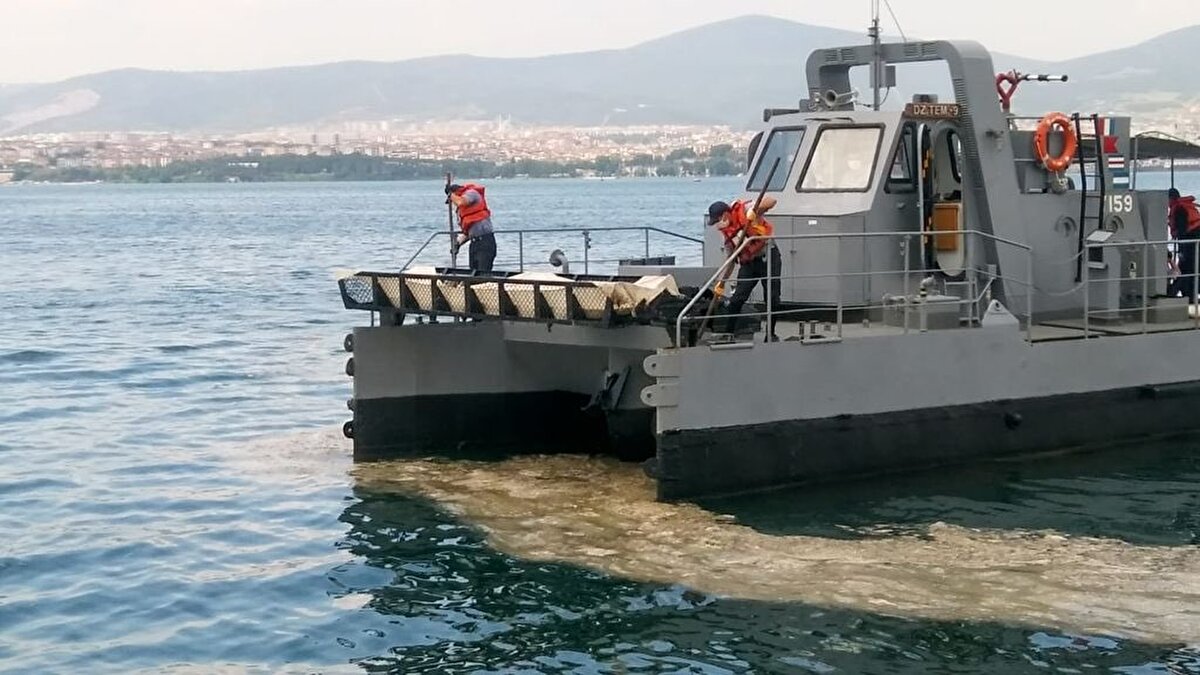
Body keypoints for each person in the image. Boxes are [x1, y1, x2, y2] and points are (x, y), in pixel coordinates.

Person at [708, 196, 782, 340]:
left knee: (772, 297)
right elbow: (731, 260)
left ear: (724, 215)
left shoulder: (746, 210)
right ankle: (729, 333)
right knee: (737, 297)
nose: (717, 225)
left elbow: (771, 201)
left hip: (768, 257)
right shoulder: (727, 235)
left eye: (717, 221)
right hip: (749, 263)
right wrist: (721, 283)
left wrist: (755, 212)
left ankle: (770, 333)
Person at [445, 182, 497, 273]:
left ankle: (485, 285)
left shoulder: (472, 193)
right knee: (473, 274)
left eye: (453, 201)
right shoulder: (466, 213)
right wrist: (458, 243)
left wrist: (450, 194)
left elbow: (461, 202)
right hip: (474, 244)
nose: (453, 204)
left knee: (483, 273)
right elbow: (469, 233)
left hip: (485, 242)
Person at [1168, 187, 1200, 301]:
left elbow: (1183, 230)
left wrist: (1181, 251)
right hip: (1194, 242)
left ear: (1171, 199)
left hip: (1190, 244)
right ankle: (1189, 297)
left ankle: (1173, 294)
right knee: (1190, 270)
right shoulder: (1184, 207)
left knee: (1185, 270)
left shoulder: (1179, 209)